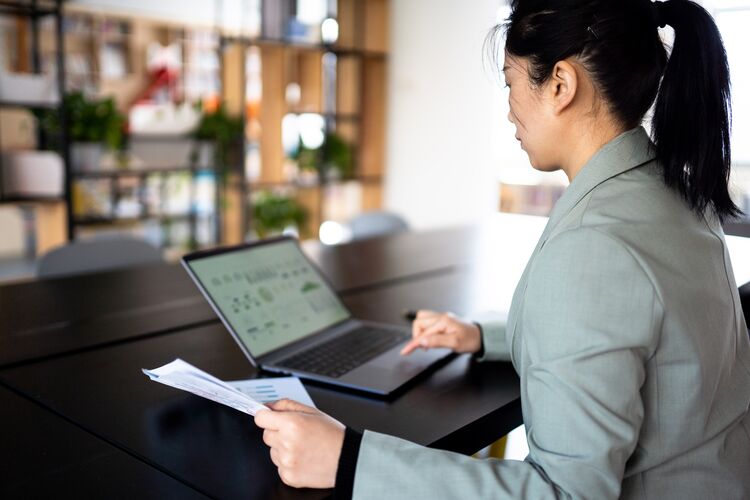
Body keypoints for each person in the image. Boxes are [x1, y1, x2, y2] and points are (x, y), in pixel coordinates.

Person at [254, 0, 750, 498]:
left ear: (560, 84)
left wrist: (347, 460)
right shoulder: (676, 191)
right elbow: (633, 325)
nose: (509, 108)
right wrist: (483, 336)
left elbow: (563, 493)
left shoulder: (594, 245)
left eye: (511, 83)